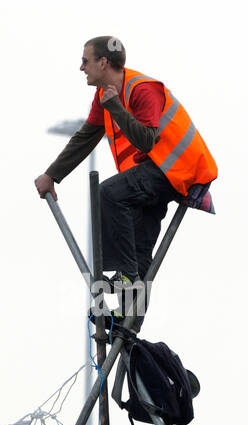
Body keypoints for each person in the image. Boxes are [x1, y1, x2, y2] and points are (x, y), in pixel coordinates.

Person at [34, 37, 217, 319]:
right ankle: (129, 322)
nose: (81, 67)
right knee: (139, 244)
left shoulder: (143, 90)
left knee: (107, 194)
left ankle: (127, 277)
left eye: (86, 61)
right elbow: (85, 137)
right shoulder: (103, 97)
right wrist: (52, 175)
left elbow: (146, 141)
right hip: (154, 175)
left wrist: (116, 107)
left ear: (103, 63)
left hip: (173, 171)